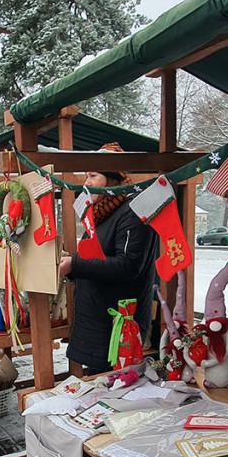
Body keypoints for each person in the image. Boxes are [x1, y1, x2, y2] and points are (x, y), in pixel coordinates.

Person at [59, 150, 159, 375]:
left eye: (93, 175)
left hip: (118, 326)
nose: (87, 183)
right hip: (97, 321)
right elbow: (95, 259)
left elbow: (128, 266)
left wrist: (75, 265)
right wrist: (72, 268)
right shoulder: (101, 214)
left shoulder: (133, 213)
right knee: (100, 384)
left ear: (112, 179)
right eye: (86, 176)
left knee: (116, 386)